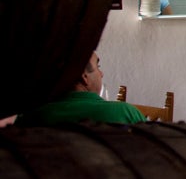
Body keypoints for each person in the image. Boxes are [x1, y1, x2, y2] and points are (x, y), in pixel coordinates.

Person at [17, 51, 146, 126]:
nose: (101, 74)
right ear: (84, 77)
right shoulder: (125, 113)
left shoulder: (31, 116)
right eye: (98, 67)